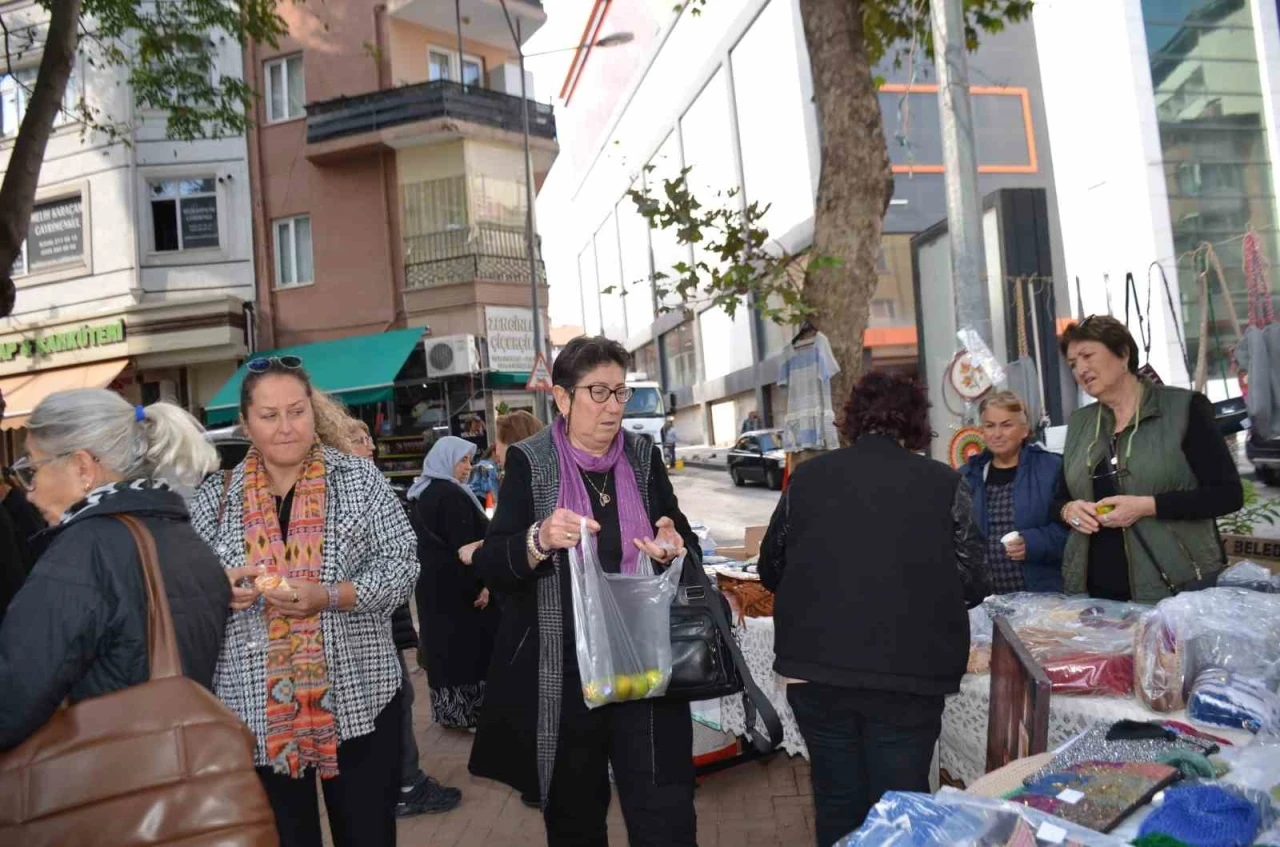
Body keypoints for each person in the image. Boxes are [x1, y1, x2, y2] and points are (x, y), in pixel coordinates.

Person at [469, 335, 702, 846]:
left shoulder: (643, 456)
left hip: (646, 665)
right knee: (575, 818)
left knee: (665, 812)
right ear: (561, 398)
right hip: (567, 672)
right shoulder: (532, 462)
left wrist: (672, 545)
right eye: (598, 392)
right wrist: (539, 538)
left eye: (621, 393)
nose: (614, 406)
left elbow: (680, 535)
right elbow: (492, 561)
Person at [189, 356, 420, 847]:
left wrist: (332, 596)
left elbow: (402, 566)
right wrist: (218, 587)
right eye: (269, 416)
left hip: (360, 697)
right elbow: (190, 584)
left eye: (296, 411)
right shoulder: (215, 497)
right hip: (257, 712)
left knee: (367, 835)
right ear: (247, 423)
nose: (286, 427)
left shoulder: (358, 481)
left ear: (313, 412)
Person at [758, 371, 990, 847]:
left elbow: (770, 566)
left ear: (853, 419)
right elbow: (971, 577)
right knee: (899, 811)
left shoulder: (807, 478)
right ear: (915, 423)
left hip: (816, 671)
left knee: (836, 803)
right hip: (908, 675)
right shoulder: (943, 482)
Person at [0, 389, 229, 750]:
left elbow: (13, 697)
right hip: (173, 774)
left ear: (82, 467)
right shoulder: (179, 535)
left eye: (32, 468)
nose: (29, 492)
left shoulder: (85, 551)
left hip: (110, 782)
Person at [1053, 316, 1243, 602]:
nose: (1080, 369)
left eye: (1087, 356)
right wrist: (1069, 510)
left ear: (1123, 354)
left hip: (1177, 587)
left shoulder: (1183, 408)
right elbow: (1059, 497)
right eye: (1072, 364)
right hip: (1096, 594)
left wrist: (1147, 506)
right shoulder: (1080, 422)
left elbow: (1227, 495)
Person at [340, 410, 463, 817]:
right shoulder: (350, 497)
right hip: (369, 628)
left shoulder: (363, 492)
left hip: (383, 624)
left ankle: (396, 782)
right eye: (360, 440)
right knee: (391, 704)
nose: (371, 446)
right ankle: (403, 786)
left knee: (398, 701)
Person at [408, 436, 497, 730]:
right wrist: (481, 585)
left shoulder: (423, 493)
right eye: (462, 460)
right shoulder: (451, 495)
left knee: (445, 654)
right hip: (460, 591)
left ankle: (452, 714)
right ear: (445, 460)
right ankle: (470, 715)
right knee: (467, 653)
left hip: (434, 591)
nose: (467, 467)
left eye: (469, 460)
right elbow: (466, 548)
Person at [960, 390, 1068, 593]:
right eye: (990, 425)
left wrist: (1033, 543)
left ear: (1024, 430)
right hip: (987, 601)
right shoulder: (968, 476)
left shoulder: (1051, 468)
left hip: (1042, 598)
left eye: (1006, 425)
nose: (997, 434)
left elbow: (1073, 532)